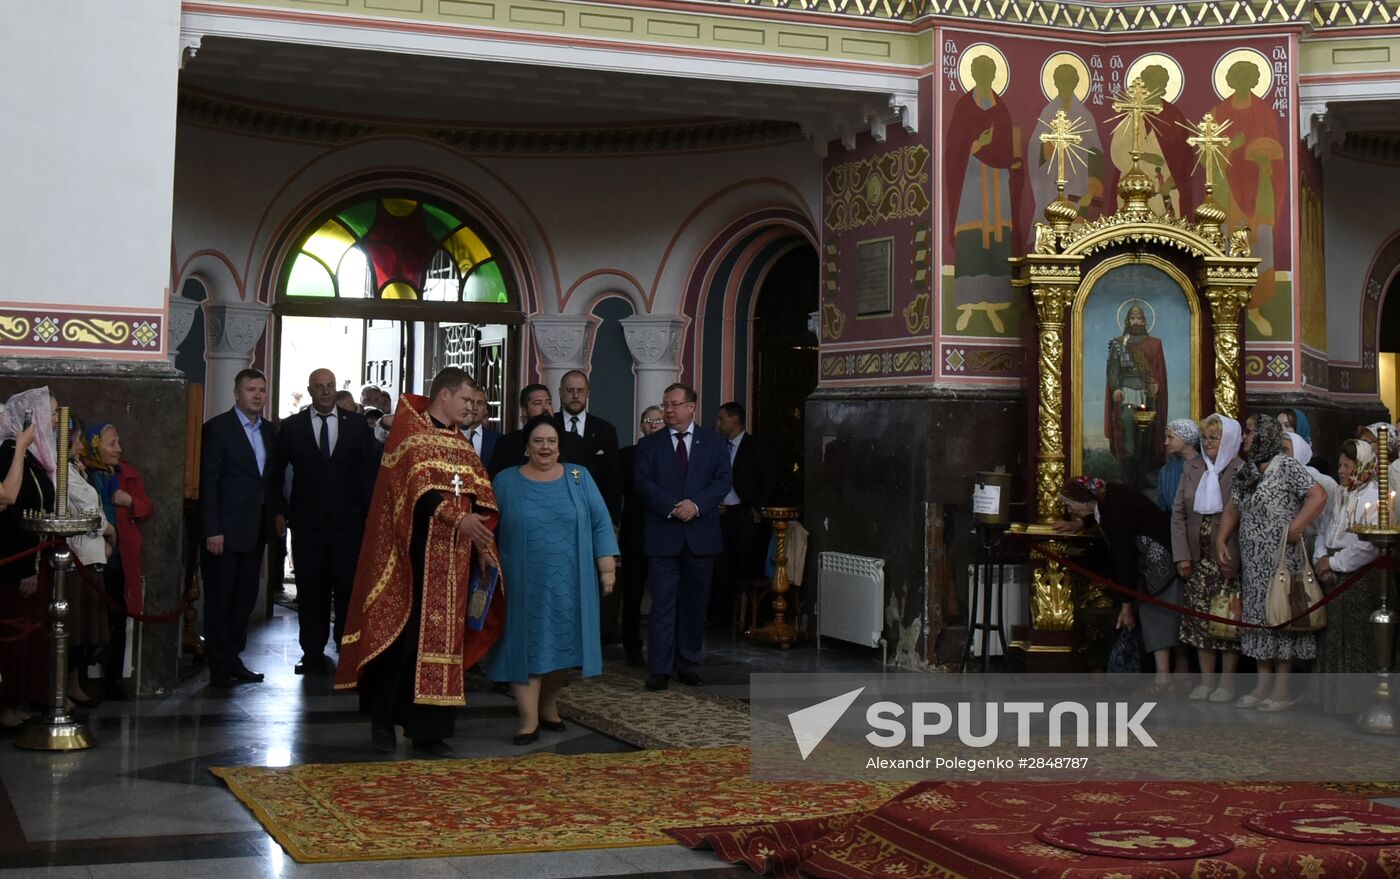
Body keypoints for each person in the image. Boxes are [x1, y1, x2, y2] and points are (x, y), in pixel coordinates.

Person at [336, 368, 503, 758]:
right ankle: (382, 720)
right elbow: (418, 490)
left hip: (455, 560)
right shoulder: (412, 435)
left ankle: (428, 729)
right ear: (444, 396)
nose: (471, 408)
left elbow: (480, 496)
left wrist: (482, 545)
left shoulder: (462, 444)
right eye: (466, 400)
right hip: (410, 557)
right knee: (399, 640)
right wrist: (457, 518)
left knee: (445, 643)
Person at [485, 416, 618, 744]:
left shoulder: (579, 477)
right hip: (521, 582)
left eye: (551, 441)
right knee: (526, 647)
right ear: (526, 447)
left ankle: (548, 705)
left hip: (572, 582)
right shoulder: (506, 481)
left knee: (565, 647)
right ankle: (528, 720)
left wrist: (607, 569)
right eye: (538, 441)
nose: (545, 447)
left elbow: (601, 522)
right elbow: (488, 524)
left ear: (560, 446)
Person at [1216, 414, 1327, 711]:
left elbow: (1318, 495)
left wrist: (1296, 527)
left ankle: (1281, 689)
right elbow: (1232, 507)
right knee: (1257, 619)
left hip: (1281, 558)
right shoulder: (1247, 470)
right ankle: (1262, 685)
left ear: (1265, 434)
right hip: (1253, 561)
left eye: (1250, 432)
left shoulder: (1287, 466)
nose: (1245, 438)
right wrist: (1221, 539)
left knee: (1281, 616)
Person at [272, 368, 379, 675]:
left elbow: (368, 474)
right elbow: (275, 474)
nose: (326, 391)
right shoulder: (292, 427)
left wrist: (369, 517)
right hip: (308, 526)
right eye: (320, 387)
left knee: (347, 588)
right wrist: (279, 511)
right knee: (311, 589)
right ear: (310, 391)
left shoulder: (357, 426)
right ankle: (312, 651)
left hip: (349, 525)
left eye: (330, 386)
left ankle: (346, 647)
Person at [634, 383, 732, 690]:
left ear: (692, 407)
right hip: (664, 535)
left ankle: (688, 663)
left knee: (694, 604)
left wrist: (697, 506)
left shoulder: (714, 442)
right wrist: (672, 507)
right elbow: (642, 482)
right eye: (665, 405)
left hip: (700, 536)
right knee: (662, 605)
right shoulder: (650, 445)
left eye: (675, 405)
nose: (669, 411)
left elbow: (722, 481)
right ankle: (660, 668)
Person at [1055, 475, 1183, 692]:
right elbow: (1097, 513)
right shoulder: (1107, 496)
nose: (1069, 510)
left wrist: (1126, 604)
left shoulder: (1115, 514)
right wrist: (1079, 523)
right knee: (1161, 615)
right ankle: (1175, 675)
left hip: (1158, 561)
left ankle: (1163, 678)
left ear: (1085, 501)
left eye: (1070, 505)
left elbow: (1124, 560)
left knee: (1156, 613)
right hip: (1152, 556)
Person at [200, 368, 277, 689]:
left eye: (261, 389)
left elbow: (269, 481)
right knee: (220, 599)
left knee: (244, 600)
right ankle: (219, 665)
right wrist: (212, 528)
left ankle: (233, 657)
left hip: (255, 530)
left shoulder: (271, 431)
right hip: (224, 531)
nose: (257, 395)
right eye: (251, 390)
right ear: (237, 393)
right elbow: (209, 483)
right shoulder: (217, 429)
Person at [944, 53, 1027, 335]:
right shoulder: (965, 106)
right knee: (972, 235)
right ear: (975, 74)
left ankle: (995, 299)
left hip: (997, 180)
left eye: (990, 71)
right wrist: (978, 144)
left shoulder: (1000, 107)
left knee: (998, 237)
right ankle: (968, 300)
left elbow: (1008, 146)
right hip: (972, 180)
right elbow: (954, 150)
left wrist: (1011, 161)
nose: (986, 76)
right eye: (981, 71)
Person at [1172, 413, 1242, 701]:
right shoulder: (1192, 467)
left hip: (1226, 560)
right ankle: (1206, 681)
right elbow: (1178, 514)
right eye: (1206, 438)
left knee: (1226, 622)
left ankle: (1226, 684)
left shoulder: (1239, 470)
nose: (1209, 442)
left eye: (1215, 437)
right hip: (1198, 559)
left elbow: (1241, 518)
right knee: (1200, 622)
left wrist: (1232, 560)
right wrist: (1182, 557)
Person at [1311, 439, 1385, 714]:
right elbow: (1324, 528)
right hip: (1330, 567)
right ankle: (1333, 699)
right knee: (1332, 636)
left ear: (1362, 466)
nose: (1341, 471)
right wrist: (1320, 557)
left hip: (1356, 576)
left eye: (1347, 465)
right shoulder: (1341, 493)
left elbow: (1368, 545)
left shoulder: (1373, 497)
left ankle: (1357, 701)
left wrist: (1334, 563)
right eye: (1340, 465)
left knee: (1353, 637)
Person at [83, 421, 153, 699]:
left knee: (118, 616)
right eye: (112, 444)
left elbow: (147, 507)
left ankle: (113, 676)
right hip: (90, 558)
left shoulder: (126, 474)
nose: (119, 449)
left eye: (119, 442)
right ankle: (82, 675)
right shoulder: (82, 474)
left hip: (120, 560)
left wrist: (129, 502)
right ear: (96, 446)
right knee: (89, 617)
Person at [0, 389, 53, 731]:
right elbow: (9, 502)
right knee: (11, 635)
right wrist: (26, 567)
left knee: (28, 635)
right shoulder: (9, 453)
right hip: (13, 558)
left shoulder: (34, 458)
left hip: (31, 556)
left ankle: (17, 700)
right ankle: (5, 704)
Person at [709, 401, 776, 626]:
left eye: (721, 419)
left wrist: (760, 507)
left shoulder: (755, 446)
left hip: (746, 514)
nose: (718, 423)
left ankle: (752, 619)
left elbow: (770, 479)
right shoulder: (719, 447)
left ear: (734, 420)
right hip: (723, 514)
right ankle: (722, 617)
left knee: (747, 564)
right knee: (721, 565)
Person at [65, 416, 112, 706]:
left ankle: (73, 683)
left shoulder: (77, 470)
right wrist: (108, 529)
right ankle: (60, 688)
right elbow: (85, 514)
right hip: (77, 557)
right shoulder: (60, 472)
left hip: (93, 556)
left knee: (86, 632)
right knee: (72, 630)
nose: (81, 446)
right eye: (78, 439)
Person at [620, 406, 664, 666]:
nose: (653, 424)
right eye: (648, 420)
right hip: (634, 532)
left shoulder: (672, 455)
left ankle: (662, 648)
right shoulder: (627, 455)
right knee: (633, 593)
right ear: (641, 426)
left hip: (664, 531)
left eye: (658, 420)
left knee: (665, 594)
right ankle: (631, 647)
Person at [1105, 302, 1168, 486]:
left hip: (1145, 395)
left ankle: (1141, 476)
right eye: (1132, 317)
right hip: (1126, 395)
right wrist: (1116, 387)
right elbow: (1112, 370)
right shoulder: (1119, 344)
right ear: (1127, 320)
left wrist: (1156, 385)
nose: (1136, 321)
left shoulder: (1154, 344)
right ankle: (1128, 475)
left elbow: (1158, 371)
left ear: (1144, 321)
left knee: (1145, 435)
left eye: (1139, 317)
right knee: (1127, 431)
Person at [553, 370, 622, 522]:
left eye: (580, 390)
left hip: (594, 512)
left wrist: (613, 521)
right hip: (554, 509)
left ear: (588, 392)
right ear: (560, 392)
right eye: (570, 390)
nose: (575, 395)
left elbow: (613, 479)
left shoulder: (605, 430)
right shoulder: (548, 426)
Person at [488, 384, 585, 478]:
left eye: (548, 403)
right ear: (524, 410)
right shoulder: (507, 443)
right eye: (538, 403)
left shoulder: (573, 441)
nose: (545, 408)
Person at [1157, 418, 1198, 513]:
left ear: (1186, 438)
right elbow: (1162, 506)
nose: (1166, 442)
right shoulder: (1165, 471)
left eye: (1171, 437)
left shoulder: (1207, 467)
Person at [459, 381, 500, 464]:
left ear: (485, 409)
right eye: (471, 401)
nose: (474, 407)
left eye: (479, 403)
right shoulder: (450, 434)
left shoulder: (498, 440)